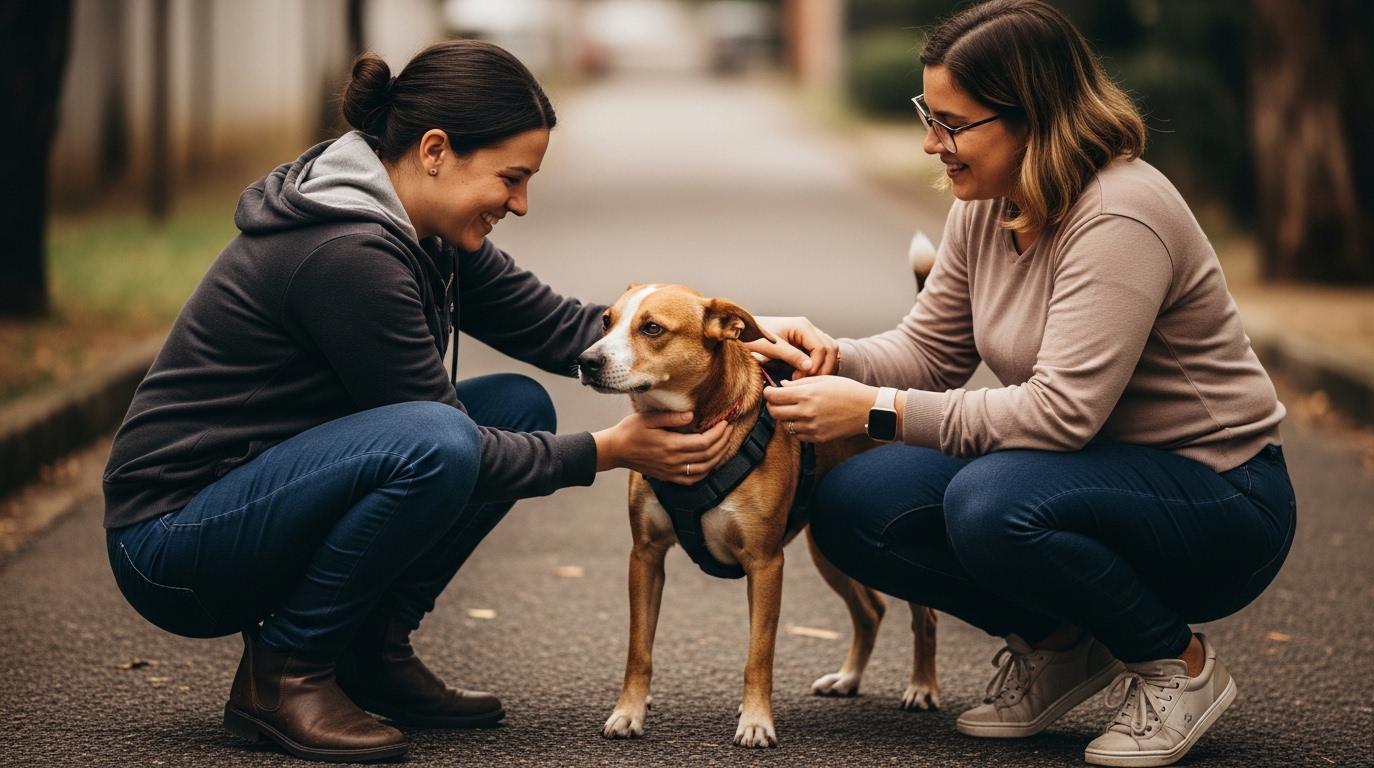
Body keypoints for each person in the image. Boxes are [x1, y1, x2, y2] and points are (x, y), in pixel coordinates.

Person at [101, 40, 735, 762]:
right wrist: (606, 451)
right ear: (435, 151)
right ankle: (285, 673)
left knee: (516, 406)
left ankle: (369, 650)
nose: (520, 204)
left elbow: (556, 325)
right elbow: (440, 441)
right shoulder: (346, 254)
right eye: (511, 178)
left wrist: (741, 337)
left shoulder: (421, 226)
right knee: (442, 440)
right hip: (176, 543)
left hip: (258, 499)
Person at [755, 2, 1296, 765]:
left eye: (951, 122)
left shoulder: (1120, 214)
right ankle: (1060, 645)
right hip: (1081, 478)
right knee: (854, 504)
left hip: (1219, 502)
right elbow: (929, 352)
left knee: (990, 501)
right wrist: (831, 357)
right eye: (927, 114)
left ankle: (1179, 665)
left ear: (1032, 116)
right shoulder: (993, 207)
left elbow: (1061, 414)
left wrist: (874, 411)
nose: (930, 142)